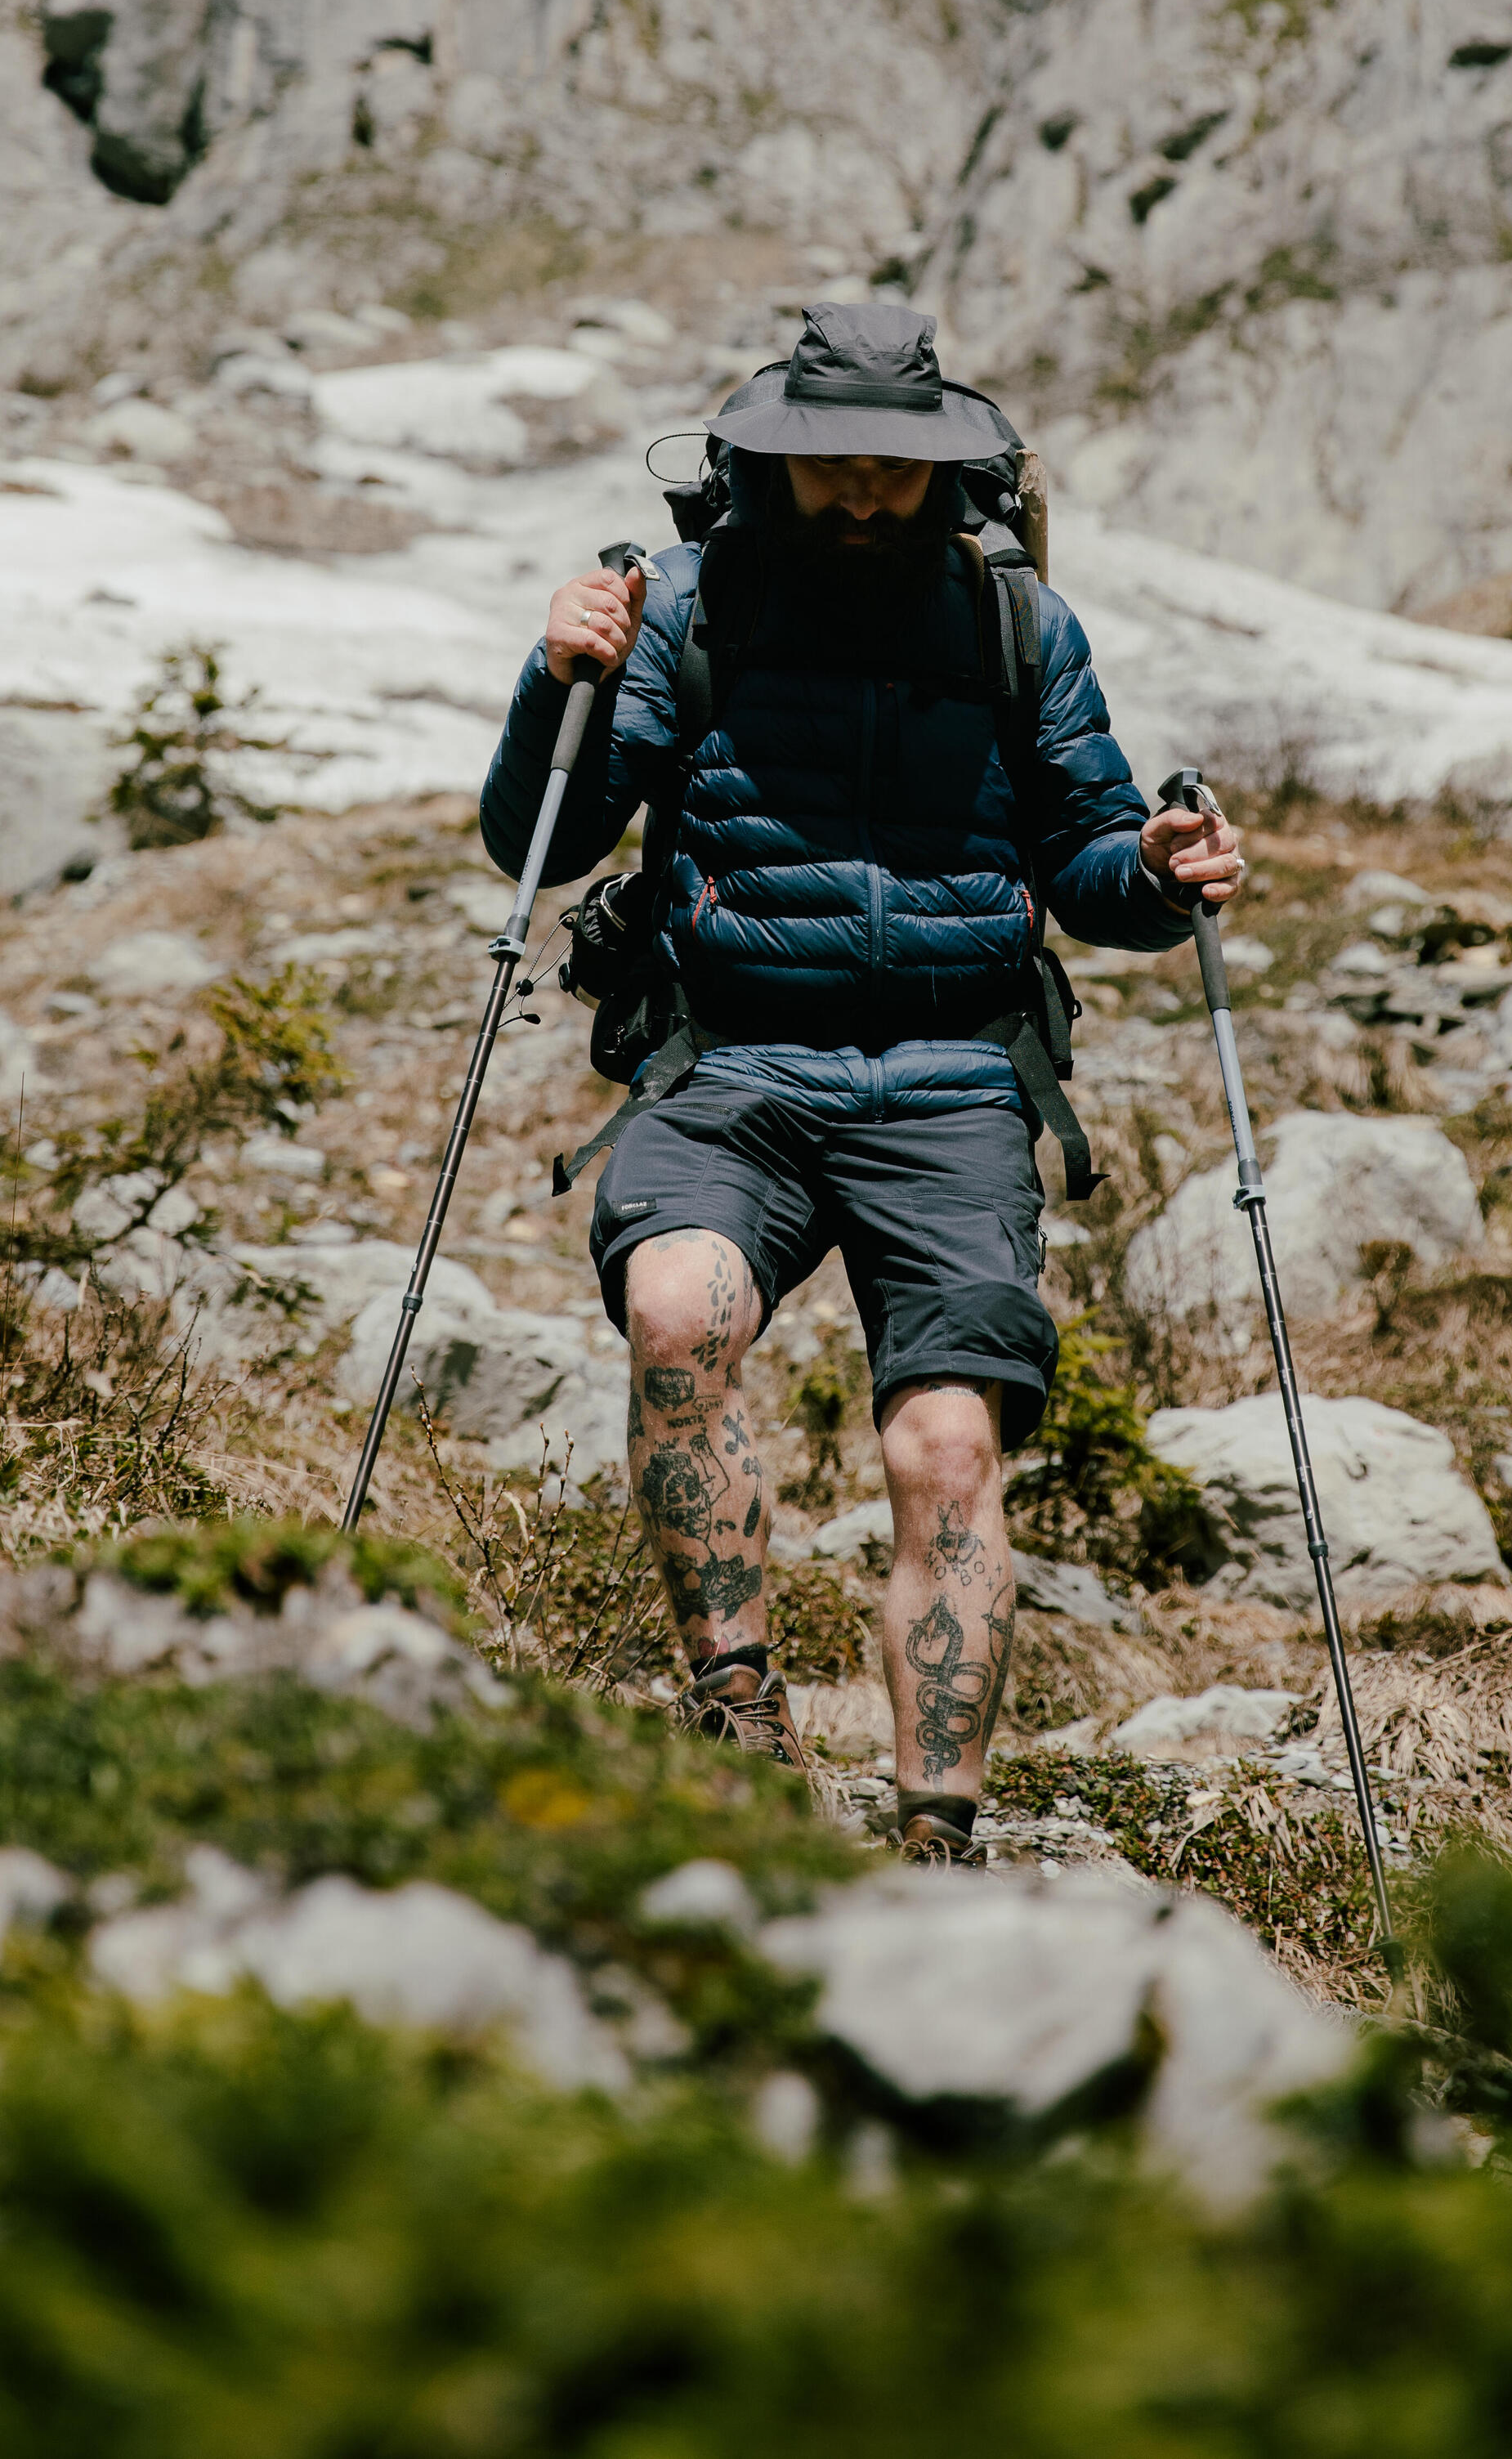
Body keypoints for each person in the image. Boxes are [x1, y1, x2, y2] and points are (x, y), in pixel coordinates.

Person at [480, 302, 1242, 1861]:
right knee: (678, 1314)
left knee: (947, 1450)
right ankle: (738, 1717)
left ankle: (935, 1836)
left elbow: (1086, 862)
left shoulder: (1016, 622)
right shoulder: (680, 610)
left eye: (892, 468)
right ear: (769, 458)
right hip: (730, 1064)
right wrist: (556, 679)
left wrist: (1159, 872)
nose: (860, 493)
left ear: (946, 469)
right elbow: (543, 845)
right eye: (828, 463)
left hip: (957, 1080)